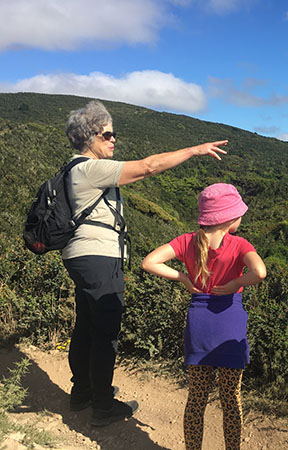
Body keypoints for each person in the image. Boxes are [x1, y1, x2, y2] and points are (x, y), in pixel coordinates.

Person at [62, 100, 228, 427]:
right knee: (105, 331)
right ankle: (102, 406)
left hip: (78, 256)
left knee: (86, 325)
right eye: (107, 134)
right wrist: (194, 150)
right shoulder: (89, 168)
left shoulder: (70, 169)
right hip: (98, 259)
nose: (113, 140)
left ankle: (82, 392)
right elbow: (148, 166)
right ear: (89, 138)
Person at [141, 182, 266, 450]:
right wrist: (235, 284)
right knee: (231, 398)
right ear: (229, 217)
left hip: (199, 325)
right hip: (229, 324)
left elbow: (149, 262)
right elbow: (260, 272)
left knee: (197, 398)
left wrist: (183, 278)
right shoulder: (240, 244)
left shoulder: (186, 241)